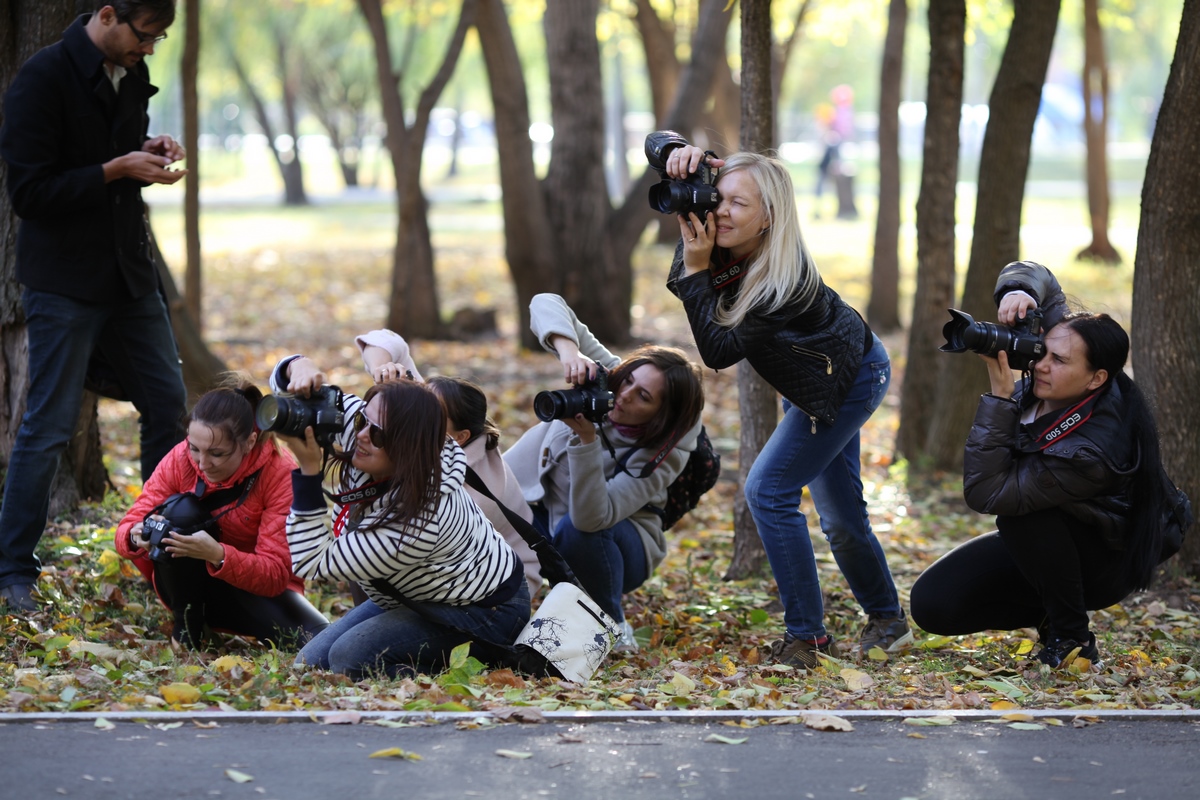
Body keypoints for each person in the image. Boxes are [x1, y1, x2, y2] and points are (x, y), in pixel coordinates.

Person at [660, 141, 907, 668]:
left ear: (768, 217)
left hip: (853, 378)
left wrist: (699, 267)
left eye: (738, 205)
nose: (719, 211)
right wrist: (679, 152)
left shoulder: (783, 281)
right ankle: (889, 620)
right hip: (817, 382)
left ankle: (808, 639)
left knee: (767, 490)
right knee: (841, 517)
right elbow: (655, 149)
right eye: (717, 197)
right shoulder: (727, 244)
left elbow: (719, 351)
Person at [0, 1, 189, 614]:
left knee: (168, 406)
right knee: (48, 426)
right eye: (145, 35)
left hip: (130, 279)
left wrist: (146, 149)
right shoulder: (42, 78)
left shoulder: (129, 75)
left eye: (159, 39)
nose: (150, 49)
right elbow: (30, 192)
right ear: (108, 16)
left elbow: (115, 155)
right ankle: (11, 571)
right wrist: (116, 169)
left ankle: (159, 549)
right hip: (64, 283)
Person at [910, 261, 1171, 669]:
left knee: (1021, 514)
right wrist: (1020, 291)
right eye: (1042, 351)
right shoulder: (1071, 353)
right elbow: (1038, 275)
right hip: (1050, 545)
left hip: (1104, 560)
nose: (1040, 365)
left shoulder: (1091, 451)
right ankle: (1050, 607)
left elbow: (988, 493)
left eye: (1059, 361)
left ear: (1096, 378)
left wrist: (1000, 400)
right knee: (933, 606)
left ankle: (1071, 636)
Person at [274, 356, 529, 679]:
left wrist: (309, 472)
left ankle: (476, 667)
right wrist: (298, 369)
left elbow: (312, 561)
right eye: (361, 422)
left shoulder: (421, 523)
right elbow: (289, 390)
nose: (361, 436)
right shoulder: (374, 436)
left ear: (409, 447)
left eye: (377, 433)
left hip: (485, 609)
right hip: (421, 593)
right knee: (309, 664)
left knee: (348, 661)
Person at [503, 294, 706, 652]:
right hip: (542, 512)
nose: (623, 395)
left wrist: (586, 441)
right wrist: (570, 353)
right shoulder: (609, 378)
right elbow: (544, 302)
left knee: (577, 529)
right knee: (490, 514)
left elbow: (593, 518)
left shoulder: (665, 450)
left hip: (617, 548)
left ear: (661, 415)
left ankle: (608, 622)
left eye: (643, 396)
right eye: (627, 381)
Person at [116, 376, 328, 649]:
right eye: (195, 448)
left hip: (256, 589)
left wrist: (217, 554)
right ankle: (188, 628)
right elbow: (127, 526)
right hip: (185, 583)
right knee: (181, 512)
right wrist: (136, 536)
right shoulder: (181, 458)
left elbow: (276, 574)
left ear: (250, 443)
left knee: (320, 643)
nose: (202, 464)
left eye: (217, 453)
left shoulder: (279, 472)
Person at [354, 328, 543, 598]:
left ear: (459, 436)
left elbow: (415, 545)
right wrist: (381, 370)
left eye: (433, 415)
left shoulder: (474, 487)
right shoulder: (425, 413)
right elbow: (386, 340)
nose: (418, 415)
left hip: (500, 586)